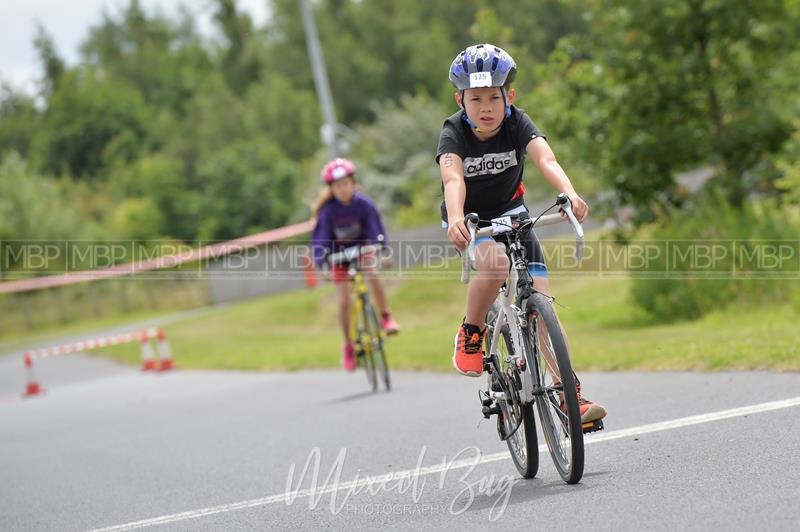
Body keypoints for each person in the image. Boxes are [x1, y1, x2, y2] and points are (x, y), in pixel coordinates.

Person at [436, 43, 606, 424]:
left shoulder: (518, 122)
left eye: (493, 97)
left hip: (513, 214)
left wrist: (570, 193)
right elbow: (452, 177)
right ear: (460, 100)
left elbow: (546, 158)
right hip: (472, 219)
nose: (485, 107)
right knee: (494, 266)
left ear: (508, 96)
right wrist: (458, 215)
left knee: (544, 307)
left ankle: (569, 398)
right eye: (475, 98)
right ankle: (472, 330)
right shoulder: (453, 132)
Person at [311, 158, 400, 372]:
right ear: (331, 189)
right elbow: (321, 239)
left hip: (362, 249)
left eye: (346, 184)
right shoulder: (328, 211)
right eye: (337, 186)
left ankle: (386, 317)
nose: (342, 189)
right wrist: (321, 263)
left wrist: (383, 250)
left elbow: (375, 228)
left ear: (353, 183)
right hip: (338, 256)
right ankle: (349, 346)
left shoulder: (364, 204)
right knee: (344, 302)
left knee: (373, 274)